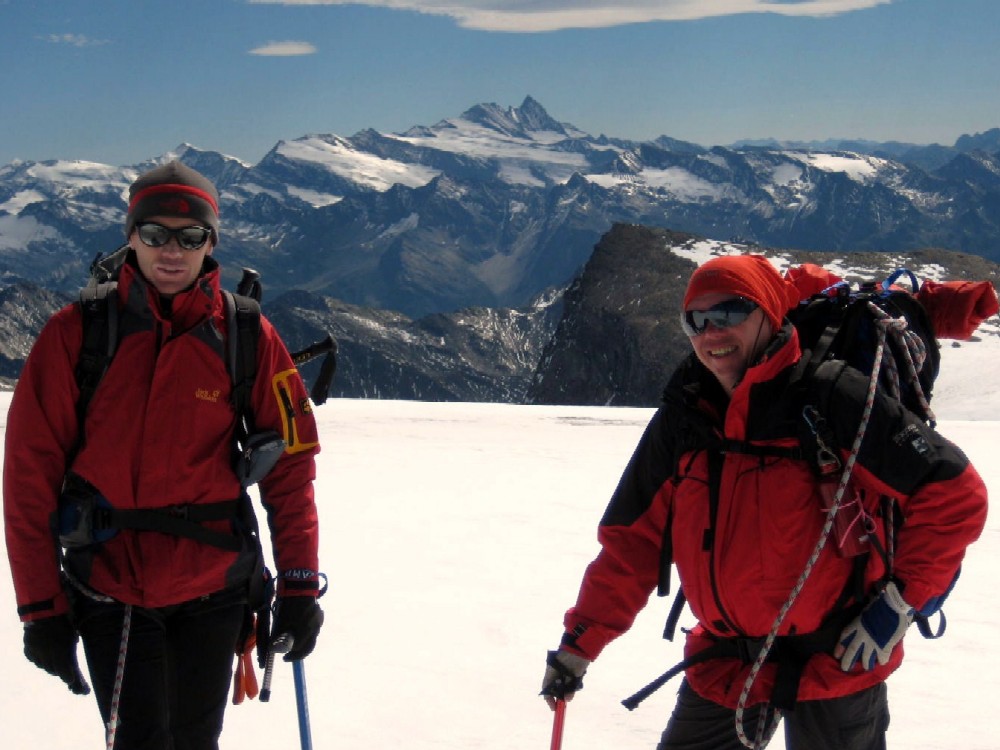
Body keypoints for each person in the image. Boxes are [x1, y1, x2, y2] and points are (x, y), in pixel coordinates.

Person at [540, 254, 988, 750]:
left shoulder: (830, 396)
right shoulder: (686, 416)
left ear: (771, 313)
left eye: (731, 312)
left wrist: (901, 602)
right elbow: (632, 544)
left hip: (835, 658)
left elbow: (953, 493)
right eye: (696, 319)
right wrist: (579, 644)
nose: (711, 332)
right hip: (725, 661)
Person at [4, 161, 325, 750]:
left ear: (211, 242)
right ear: (130, 236)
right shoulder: (76, 334)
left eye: (190, 236)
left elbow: (290, 466)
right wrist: (39, 607)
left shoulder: (246, 334)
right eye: (154, 234)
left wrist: (301, 585)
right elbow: (29, 477)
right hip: (112, 586)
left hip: (215, 586)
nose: (171, 251)